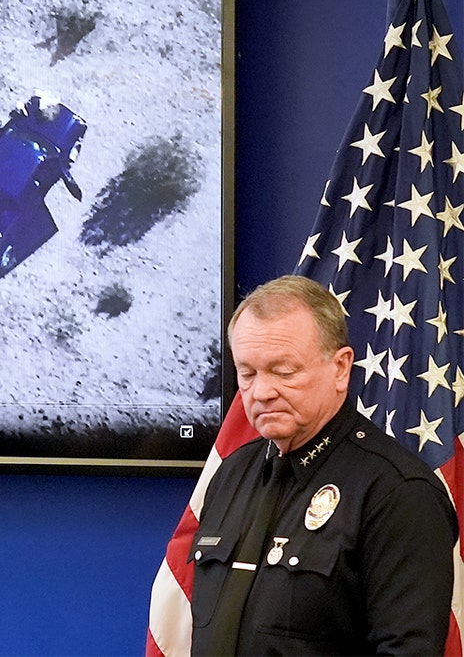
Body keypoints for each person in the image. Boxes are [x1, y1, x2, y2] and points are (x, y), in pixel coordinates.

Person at [189, 275, 457, 654]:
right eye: (247, 374)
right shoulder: (230, 475)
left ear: (340, 368)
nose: (261, 392)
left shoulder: (397, 493)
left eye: (284, 372)